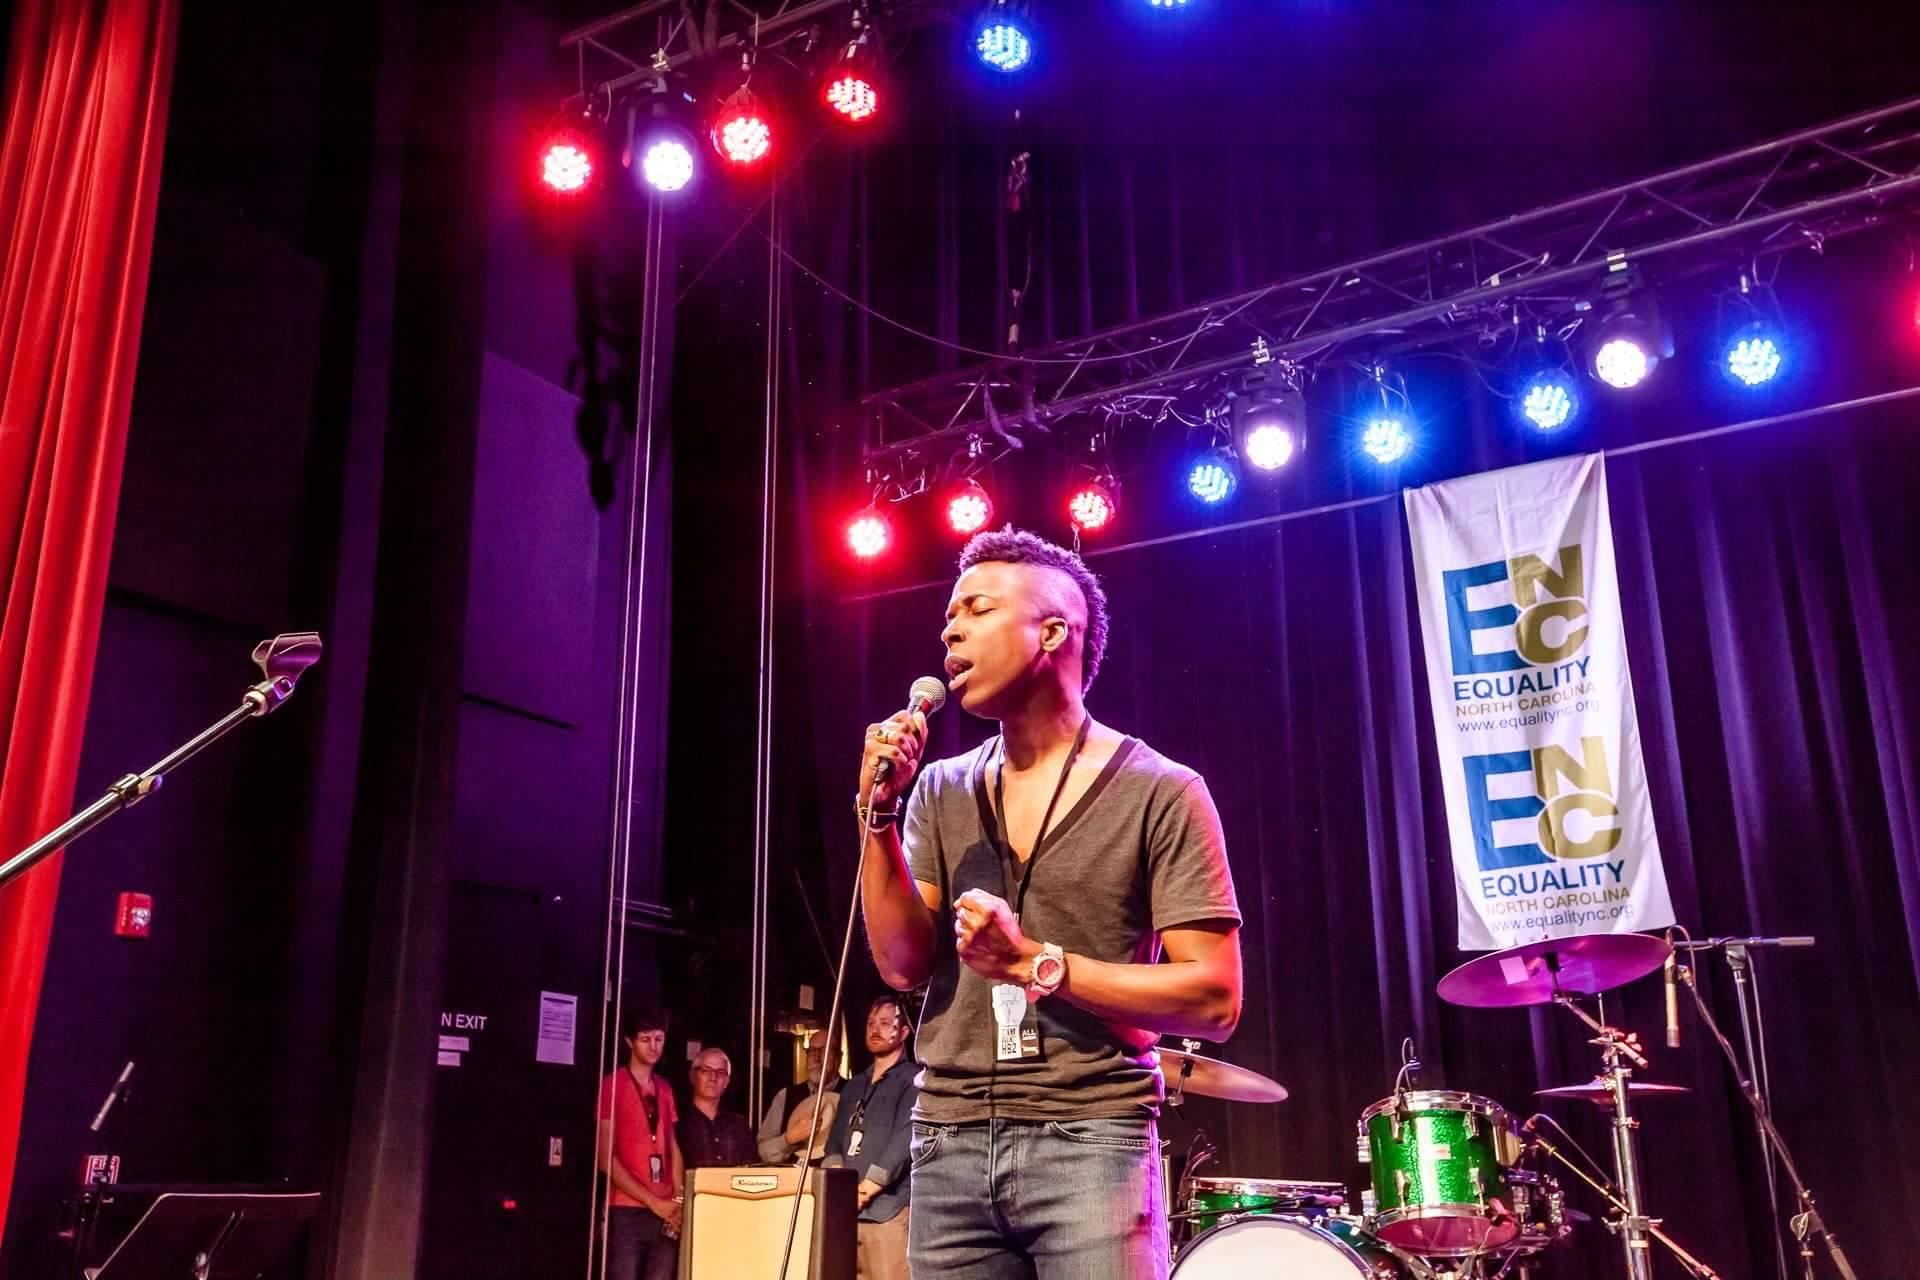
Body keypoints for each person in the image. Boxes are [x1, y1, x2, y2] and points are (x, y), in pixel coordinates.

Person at [855, 527, 1243, 1279]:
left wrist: (1035, 964)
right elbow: (903, 966)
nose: (950, 630)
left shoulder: (1161, 790)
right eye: (947, 618)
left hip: (1092, 1138)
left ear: (1052, 632)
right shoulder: (940, 788)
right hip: (949, 1138)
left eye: (976, 609)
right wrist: (877, 820)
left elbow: (1215, 998)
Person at [823, 995, 918, 1280]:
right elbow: (834, 1142)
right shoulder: (853, 1085)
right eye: (870, 1023)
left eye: (885, 1023)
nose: (875, 1030)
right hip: (846, 1214)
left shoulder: (913, 1079)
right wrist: (841, 1190)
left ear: (903, 1033)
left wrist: (864, 1190)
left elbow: (904, 1143)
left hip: (886, 1212)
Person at [596, 1004, 682, 1280]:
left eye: (659, 1039)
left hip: (666, 1209)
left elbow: (673, 1147)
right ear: (629, 1041)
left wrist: (678, 1199)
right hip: (627, 1208)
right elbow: (605, 1158)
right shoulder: (613, 1085)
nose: (653, 1046)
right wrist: (652, 1201)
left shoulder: (665, 1088)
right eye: (645, 1039)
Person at [758, 1039, 840, 1164]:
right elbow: (763, 1152)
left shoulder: (853, 1094)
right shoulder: (785, 1096)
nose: (816, 1058)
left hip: (837, 1179)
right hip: (791, 1180)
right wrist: (788, 1139)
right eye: (811, 1051)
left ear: (838, 1057)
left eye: (824, 1050)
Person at [676, 1047, 759, 1169]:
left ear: (726, 1081)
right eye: (706, 1070)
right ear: (692, 1076)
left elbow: (752, 1172)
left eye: (720, 1072)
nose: (713, 1078)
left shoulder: (739, 1125)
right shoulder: (678, 1123)